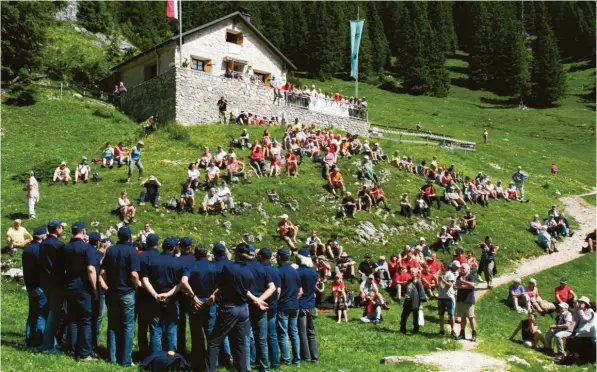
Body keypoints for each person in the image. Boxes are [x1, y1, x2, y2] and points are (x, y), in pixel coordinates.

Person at [204, 244, 268, 372]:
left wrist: (214, 295)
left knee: (214, 341)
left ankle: (210, 369)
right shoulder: (248, 272)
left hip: (229, 308)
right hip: (243, 309)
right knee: (240, 343)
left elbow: (219, 283)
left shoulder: (228, 268)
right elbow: (245, 291)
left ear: (236, 254)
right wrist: (256, 299)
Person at [100, 226, 140, 366]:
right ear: (129, 237)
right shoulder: (132, 251)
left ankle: (112, 357)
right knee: (128, 326)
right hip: (127, 292)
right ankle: (126, 359)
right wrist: (137, 287)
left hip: (112, 292)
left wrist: (106, 284)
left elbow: (103, 270)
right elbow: (134, 274)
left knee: (112, 325)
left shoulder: (111, 250)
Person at [141, 237, 184, 355]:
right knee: (171, 330)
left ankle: (156, 360)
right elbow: (181, 283)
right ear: (174, 248)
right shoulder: (179, 263)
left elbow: (145, 280)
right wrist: (168, 294)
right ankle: (171, 359)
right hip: (172, 300)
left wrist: (155, 294)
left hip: (155, 300)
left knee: (156, 330)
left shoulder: (152, 261)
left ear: (162, 246)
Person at [63, 222, 97, 361]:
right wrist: (94, 289)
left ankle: (73, 349)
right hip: (83, 286)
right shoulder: (87, 248)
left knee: (73, 318)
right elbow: (90, 269)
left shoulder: (65, 247)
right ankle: (84, 353)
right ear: (83, 231)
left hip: (69, 285)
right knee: (85, 319)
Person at [245, 245, 276, 372]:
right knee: (262, 339)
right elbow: (272, 288)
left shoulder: (244, 268)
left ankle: (246, 367)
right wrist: (260, 300)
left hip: (247, 305)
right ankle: (264, 367)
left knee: (246, 338)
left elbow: (242, 288)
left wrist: (254, 299)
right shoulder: (263, 268)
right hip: (261, 307)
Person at [39, 219, 66, 352]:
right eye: (61, 227)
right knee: (54, 313)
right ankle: (48, 345)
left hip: (46, 282)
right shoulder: (59, 245)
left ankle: (49, 341)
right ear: (57, 228)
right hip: (57, 282)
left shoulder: (43, 244)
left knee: (50, 310)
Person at [276, 248, 302, 367]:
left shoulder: (279, 271)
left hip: (284, 305)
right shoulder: (295, 271)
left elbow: (278, 291)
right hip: (295, 305)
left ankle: (286, 360)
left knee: (283, 333)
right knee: (294, 333)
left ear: (279, 257)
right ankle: (297, 360)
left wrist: (276, 303)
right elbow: (300, 291)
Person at [23, 226, 48, 348]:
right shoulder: (40, 249)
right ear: (43, 237)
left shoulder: (27, 249)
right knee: (42, 314)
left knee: (32, 313)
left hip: (30, 285)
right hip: (40, 285)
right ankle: (38, 341)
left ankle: (29, 340)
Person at [257, 248, 281, 371]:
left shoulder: (259, 269)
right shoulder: (275, 270)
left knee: (260, 336)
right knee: (272, 335)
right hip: (272, 305)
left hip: (260, 305)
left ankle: (259, 361)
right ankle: (276, 363)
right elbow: (278, 290)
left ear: (260, 256)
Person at [297, 249, 319, 364]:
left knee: (302, 332)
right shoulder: (313, 273)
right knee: (311, 332)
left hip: (301, 305)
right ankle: (315, 357)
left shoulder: (298, 272)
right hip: (311, 304)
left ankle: (306, 356)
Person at [400, 268, 427, 335]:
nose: (411, 273)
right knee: (404, 316)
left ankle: (415, 330)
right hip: (407, 301)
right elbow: (405, 290)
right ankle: (402, 329)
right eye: (411, 272)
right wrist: (405, 294)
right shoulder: (408, 281)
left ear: (416, 274)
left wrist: (421, 303)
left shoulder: (418, 282)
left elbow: (422, 293)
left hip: (415, 302)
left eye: (413, 272)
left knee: (415, 317)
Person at [456, 263, 477, 342]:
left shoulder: (471, 277)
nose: (461, 269)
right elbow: (458, 285)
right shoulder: (459, 277)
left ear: (468, 269)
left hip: (468, 301)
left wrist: (463, 282)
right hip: (460, 300)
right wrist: (465, 285)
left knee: (471, 317)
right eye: (461, 268)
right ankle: (462, 333)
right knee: (463, 318)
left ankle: (474, 334)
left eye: (463, 268)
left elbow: (473, 285)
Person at [438, 261, 459, 339]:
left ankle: (453, 330)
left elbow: (449, 285)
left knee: (451, 314)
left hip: (449, 297)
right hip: (441, 297)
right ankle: (441, 330)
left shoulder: (450, 274)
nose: (441, 267)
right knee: (441, 314)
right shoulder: (442, 274)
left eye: (442, 266)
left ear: (446, 267)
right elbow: (438, 286)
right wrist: (437, 280)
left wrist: (442, 280)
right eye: (441, 266)